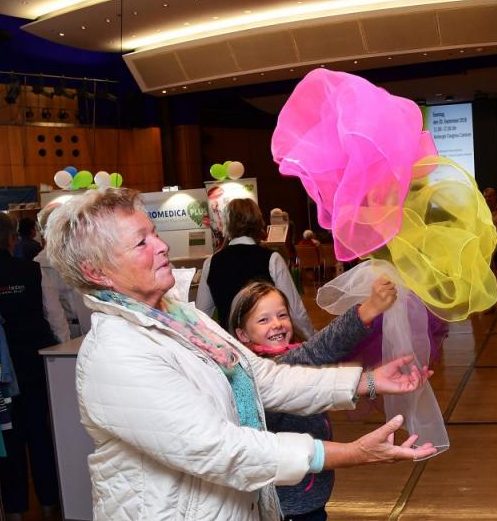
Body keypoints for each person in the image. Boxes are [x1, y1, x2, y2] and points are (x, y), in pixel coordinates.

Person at [43, 188, 437, 520]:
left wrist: (366, 382)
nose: (162, 246)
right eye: (141, 242)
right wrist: (349, 454)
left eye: (155, 233)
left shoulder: (182, 316)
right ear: (97, 271)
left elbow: (261, 378)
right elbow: (219, 449)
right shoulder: (119, 353)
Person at [229, 278, 395, 521]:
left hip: (312, 496)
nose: (276, 324)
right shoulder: (264, 370)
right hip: (290, 506)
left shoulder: (291, 356)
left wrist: (371, 382)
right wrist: (368, 309)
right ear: (242, 334)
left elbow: (321, 382)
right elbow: (322, 347)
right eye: (263, 320)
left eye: (282, 315)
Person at [0, 212, 61, 521]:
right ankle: (50, 505)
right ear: (11, 239)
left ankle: (15, 511)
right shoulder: (33, 272)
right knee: (40, 435)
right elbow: (55, 319)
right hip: (35, 364)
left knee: (8, 440)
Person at [197, 198, 317, 338]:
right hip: (268, 344)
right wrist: (312, 338)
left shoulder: (211, 263)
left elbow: (201, 316)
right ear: (258, 223)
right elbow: (295, 310)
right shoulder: (272, 259)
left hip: (233, 347)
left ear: (227, 224)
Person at [34, 205, 93, 344]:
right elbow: (50, 312)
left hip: (92, 331)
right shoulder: (37, 265)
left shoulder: (85, 257)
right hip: (64, 336)